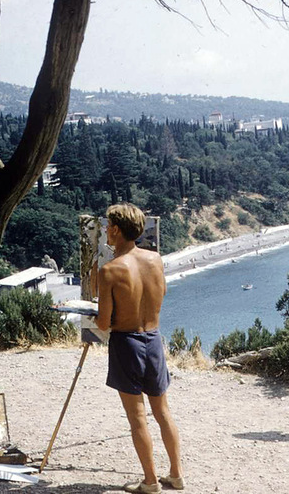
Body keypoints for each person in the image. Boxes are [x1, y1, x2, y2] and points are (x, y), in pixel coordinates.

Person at [97, 203, 184, 493]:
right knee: (162, 411)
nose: (106, 231)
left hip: (127, 342)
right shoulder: (155, 259)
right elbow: (161, 293)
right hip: (154, 339)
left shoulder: (109, 270)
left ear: (116, 230)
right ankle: (176, 474)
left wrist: (94, 315)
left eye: (109, 226)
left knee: (137, 418)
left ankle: (150, 482)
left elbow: (104, 322)